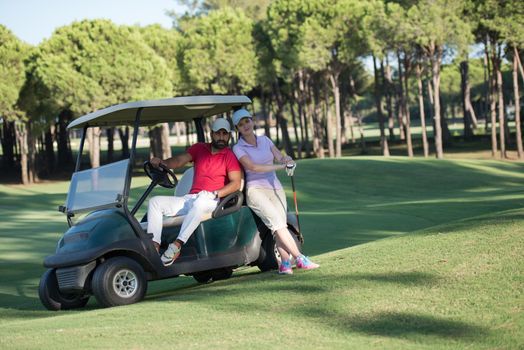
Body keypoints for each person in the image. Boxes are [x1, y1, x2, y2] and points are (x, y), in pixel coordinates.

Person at [232, 108, 319, 275]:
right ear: (238, 129)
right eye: (241, 124)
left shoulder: (265, 140)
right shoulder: (238, 148)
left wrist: (288, 160)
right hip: (256, 190)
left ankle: (285, 263)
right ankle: (300, 258)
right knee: (277, 224)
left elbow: (280, 157)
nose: (245, 126)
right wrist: (280, 166)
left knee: (279, 226)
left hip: (275, 188)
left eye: (247, 121)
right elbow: (253, 167)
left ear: (252, 121)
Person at [147, 118, 242, 266]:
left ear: (229, 136)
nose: (222, 137)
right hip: (192, 198)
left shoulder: (229, 156)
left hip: (212, 199)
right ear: (211, 134)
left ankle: (177, 245)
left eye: (225, 134)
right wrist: (163, 163)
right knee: (155, 202)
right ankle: (154, 246)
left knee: (200, 202)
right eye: (218, 133)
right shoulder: (199, 149)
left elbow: (236, 183)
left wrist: (215, 193)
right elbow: (179, 160)